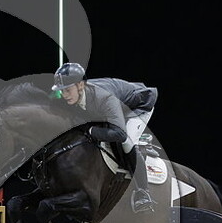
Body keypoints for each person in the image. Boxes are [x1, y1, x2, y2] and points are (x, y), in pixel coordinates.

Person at [51, 62, 158, 213]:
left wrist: (92, 131)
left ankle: (143, 192)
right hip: (112, 108)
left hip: (138, 106)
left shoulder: (104, 97)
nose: (64, 95)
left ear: (80, 85)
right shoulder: (76, 96)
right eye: (62, 91)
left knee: (127, 141)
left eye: (67, 90)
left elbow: (120, 134)